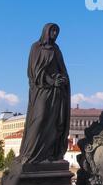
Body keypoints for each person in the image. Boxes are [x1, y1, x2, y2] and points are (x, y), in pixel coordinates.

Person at [19, 23, 71, 164]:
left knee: (55, 122)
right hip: (42, 90)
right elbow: (35, 71)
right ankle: (30, 155)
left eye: (57, 31)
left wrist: (63, 79)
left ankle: (50, 155)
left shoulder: (56, 49)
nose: (55, 33)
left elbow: (62, 70)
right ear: (46, 31)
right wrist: (51, 80)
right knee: (40, 118)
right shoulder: (36, 47)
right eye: (52, 30)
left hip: (56, 92)